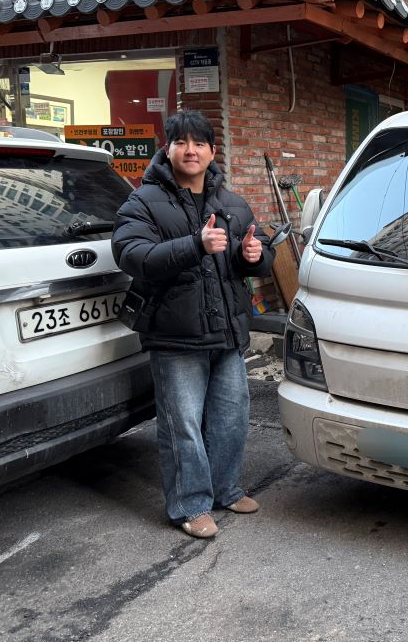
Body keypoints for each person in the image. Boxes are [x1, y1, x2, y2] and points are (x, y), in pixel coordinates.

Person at [112, 110, 274, 539]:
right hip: (175, 334)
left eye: (199, 143)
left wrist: (254, 256)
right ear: (167, 149)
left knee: (231, 417)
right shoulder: (143, 202)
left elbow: (255, 249)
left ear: (212, 151)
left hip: (227, 331)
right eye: (181, 142)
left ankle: (225, 489)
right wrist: (194, 245)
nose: (190, 150)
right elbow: (132, 255)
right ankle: (190, 504)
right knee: (181, 424)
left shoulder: (230, 202)